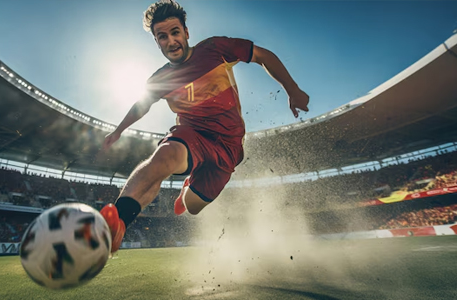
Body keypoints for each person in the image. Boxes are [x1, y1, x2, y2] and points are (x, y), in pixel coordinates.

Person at [100, 0, 310, 253]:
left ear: (186, 33)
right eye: (162, 36)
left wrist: (293, 89)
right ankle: (117, 221)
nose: (170, 41)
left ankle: (187, 187)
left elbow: (262, 56)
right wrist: (119, 130)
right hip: (191, 135)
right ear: (157, 42)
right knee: (163, 158)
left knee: (193, 206)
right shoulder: (160, 79)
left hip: (229, 146)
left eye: (175, 32)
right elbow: (141, 106)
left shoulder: (215, 48)